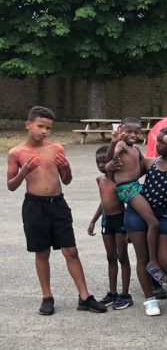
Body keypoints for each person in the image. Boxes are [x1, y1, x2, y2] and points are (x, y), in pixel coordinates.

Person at [8, 106, 106, 315]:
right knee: (42, 252)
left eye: (48, 128)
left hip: (57, 204)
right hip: (34, 206)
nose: (44, 131)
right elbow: (11, 185)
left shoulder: (56, 149)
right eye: (40, 126)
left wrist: (66, 167)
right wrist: (24, 171)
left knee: (71, 251)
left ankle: (85, 297)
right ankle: (47, 297)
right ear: (28, 125)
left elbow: (67, 180)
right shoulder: (16, 153)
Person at [124, 126, 167, 316]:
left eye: (162, 141)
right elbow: (125, 175)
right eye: (157, 141)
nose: (157, 144)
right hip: (138, 213)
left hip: (163, 215)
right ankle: (150, 300)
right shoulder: (150, 163)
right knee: (143, 258)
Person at [107, 118, 167, 285]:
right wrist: (113, 144)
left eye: (136, 132)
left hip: (135, 185)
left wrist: (165, 162)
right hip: (127, 188)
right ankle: (153, 262)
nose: (133, 135)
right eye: (128, 131)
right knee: (153, 223)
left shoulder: (135, 149)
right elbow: (111, 157)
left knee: (149, 216)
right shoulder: (121, 145)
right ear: (120, 131)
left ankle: (131, 235)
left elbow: (145, 163)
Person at [87, 147, 132, 310]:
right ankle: (112, 292)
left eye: (104, 162)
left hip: (120, 220)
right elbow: (103, 202)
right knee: (111, 257)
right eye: (98, 162)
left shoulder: (120, 180)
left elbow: (130, 202)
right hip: (107, 221)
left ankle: (125, 294)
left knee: (122, 257)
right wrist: (93, 220)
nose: (101, 165)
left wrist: (130, 227)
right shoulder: (100, 180)